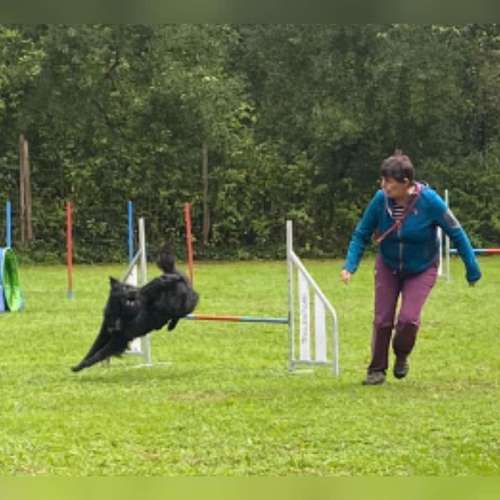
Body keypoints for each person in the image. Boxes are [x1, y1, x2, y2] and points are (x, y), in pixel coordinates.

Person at [341, 150, 481, 385]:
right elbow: (361, 233)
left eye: (389, 181)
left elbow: (456, 232)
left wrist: (472, 267)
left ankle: (402, 355)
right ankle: (376, 370)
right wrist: (349, 266)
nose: (384, 185)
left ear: (406, 182)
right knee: (383, 319)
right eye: (383, 180)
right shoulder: (379, 200)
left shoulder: (431, 201)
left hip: (422, 267)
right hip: (388, 264)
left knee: (408, 320)